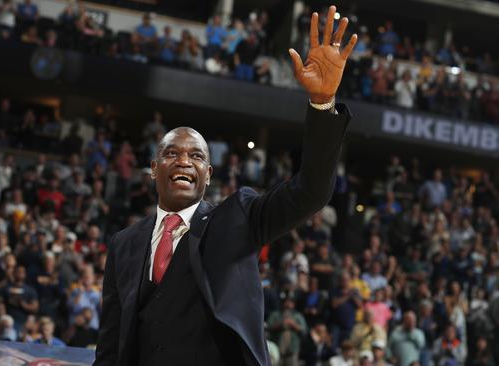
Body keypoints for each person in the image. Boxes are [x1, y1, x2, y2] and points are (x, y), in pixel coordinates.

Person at [94, 6, 357, 366]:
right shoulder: (123, 245)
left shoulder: (238, 217)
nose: (185, 160)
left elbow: (310, 193)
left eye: (196, 157)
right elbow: (110, 346)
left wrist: (322, 104)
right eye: (172, 153)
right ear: (154, 169)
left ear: (208, 174)